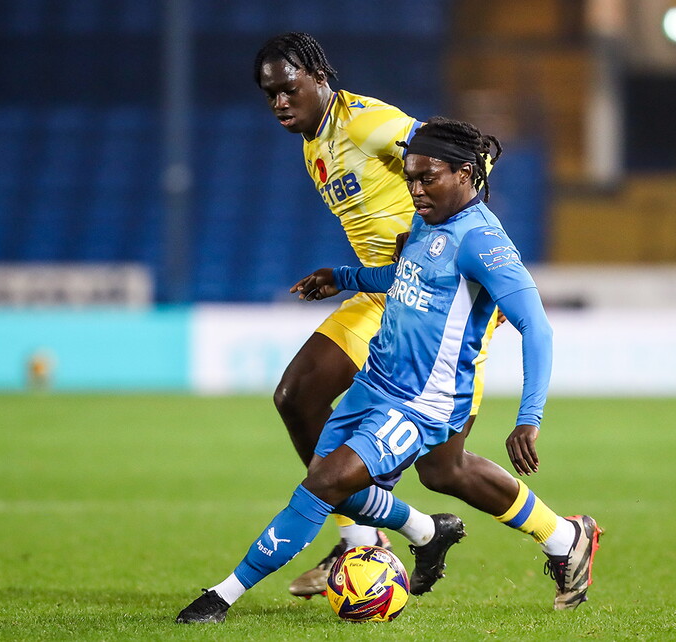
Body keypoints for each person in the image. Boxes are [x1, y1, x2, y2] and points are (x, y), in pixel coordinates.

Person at [176, 118, 601, 624]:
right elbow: (408, 275)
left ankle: (220, 597)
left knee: (325, 484)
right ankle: (433, 531)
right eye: (410, 178)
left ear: (465, 174)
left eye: (428, 178)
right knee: (358, 481)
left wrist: (529, 418)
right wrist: (345, 277)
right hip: (375, 381)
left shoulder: (482, 241)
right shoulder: (428, 220)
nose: (415, 190)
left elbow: (538, 328)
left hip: (421, 402)